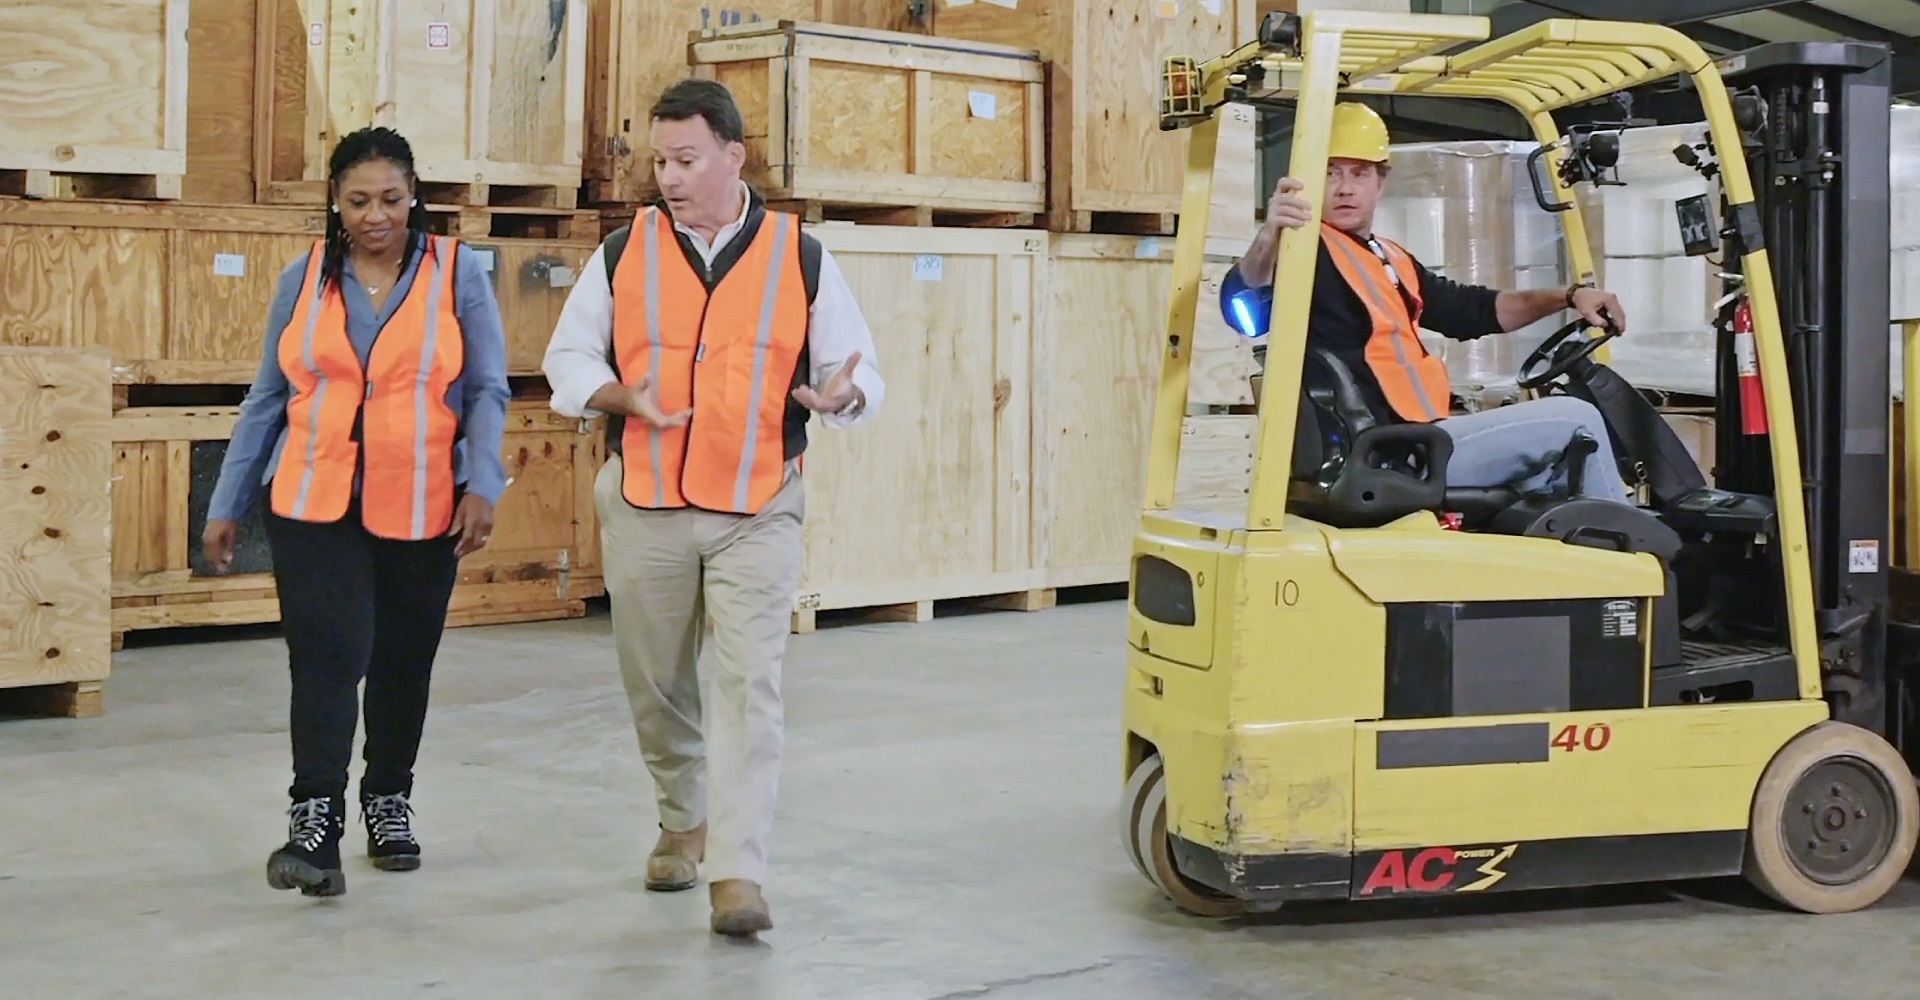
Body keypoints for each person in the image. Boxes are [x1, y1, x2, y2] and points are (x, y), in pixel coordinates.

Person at [541, 78, 884, 938]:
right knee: (656, 684)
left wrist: (840, 397)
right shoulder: (624, 251)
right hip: (646, 501)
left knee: (749, 684)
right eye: (660, 160)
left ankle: (739, 869)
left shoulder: (800, 255)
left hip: (759, 504)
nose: (670, 176)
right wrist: (618, 395)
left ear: (734, 157)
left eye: (687, 159)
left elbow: (861, 371)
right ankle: (681, 817)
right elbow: (566, 359)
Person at [202, 126, 512, 898]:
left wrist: (483, 484)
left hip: (423, 500)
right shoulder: (303, 278)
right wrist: (229, 500)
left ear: (416, 199)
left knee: (404, 659)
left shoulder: (456, 274)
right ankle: (315, 824)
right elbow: (268, 397)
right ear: (335, 205)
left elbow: (485, 390)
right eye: (358, 201)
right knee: (327, 659)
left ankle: (388, 799)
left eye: (392, 199)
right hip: (312, 498)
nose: (376, 216)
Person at [1220, 101, 1635, 504]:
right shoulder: (1305, 252)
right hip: (1392, 453)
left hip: (1417, 439)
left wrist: (1568, 296)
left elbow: (1473, 310)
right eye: (1330, 173)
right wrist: (1270, 235)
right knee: (1577, 420)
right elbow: (1246, 306)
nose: (1346, 188)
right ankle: (1633, 566)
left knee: (1553, 473)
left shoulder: (1389, 257)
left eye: (1359, 173)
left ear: (1380, 182)